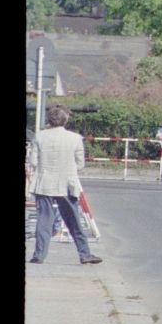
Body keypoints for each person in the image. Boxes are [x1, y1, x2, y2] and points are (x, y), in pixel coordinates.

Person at [27, 105, 102, 265]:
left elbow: (33, 162)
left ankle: (39, 255)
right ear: (65, 120)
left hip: (43, 183)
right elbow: (80, 164)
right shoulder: (75, 138)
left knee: (44, 220)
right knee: (74, 220)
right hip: (67, 183)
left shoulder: (39, 137)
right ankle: (84, 254)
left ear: (49, 120)